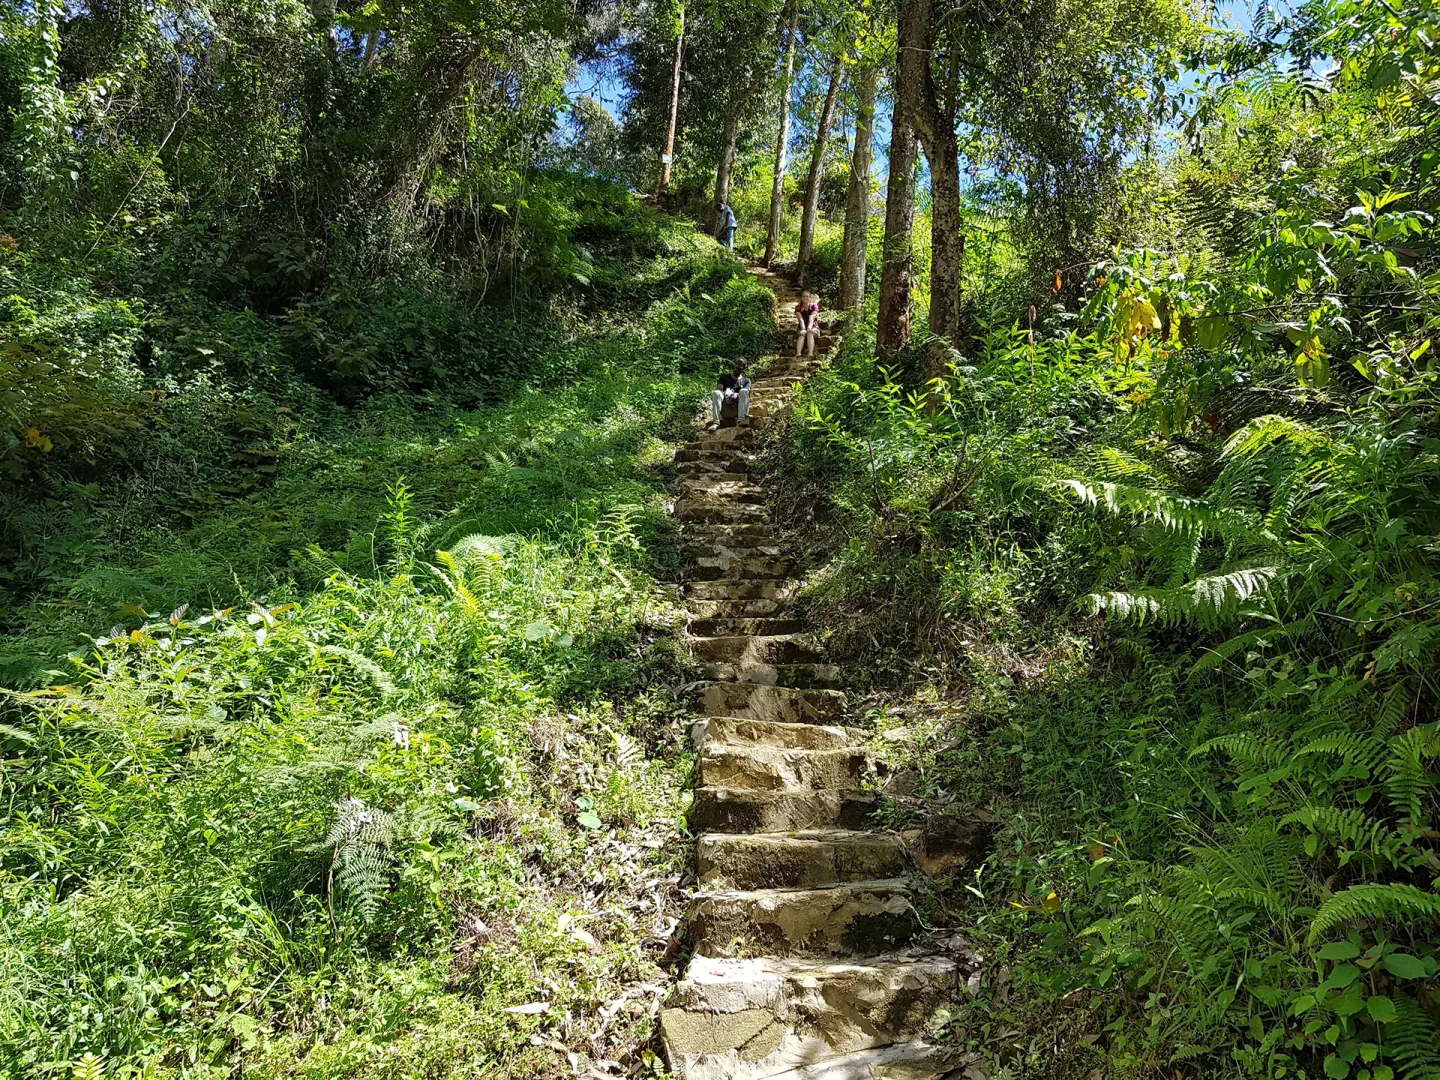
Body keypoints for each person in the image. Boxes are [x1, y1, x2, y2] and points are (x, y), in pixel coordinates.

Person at [708, 359, 751, 430]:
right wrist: (728, 395)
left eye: (740, 365)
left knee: (744, 391)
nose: (737, 366)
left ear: (744, 368)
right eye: (736, 364)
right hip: (726, 408)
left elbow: (746, 393)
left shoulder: (746, 380)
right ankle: (716, 422)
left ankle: (741, 420)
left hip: (738, 409)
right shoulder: (724, 377)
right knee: (716, 393)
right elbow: (719, 390)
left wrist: (736, 395)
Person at [795, 292, 821, 356]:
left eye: (807, 296)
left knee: (810, 332)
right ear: (801, 298)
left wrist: (809, 328)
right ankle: (798, 354)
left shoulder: (814, 306)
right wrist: (803, 329)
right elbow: (800, 319)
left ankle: (810, 354)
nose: (805, 298)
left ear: (810, 298)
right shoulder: (798, 307)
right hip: (802, 327)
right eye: (803, 296)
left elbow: (811, 318)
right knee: (802, 333)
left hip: (814, 327)